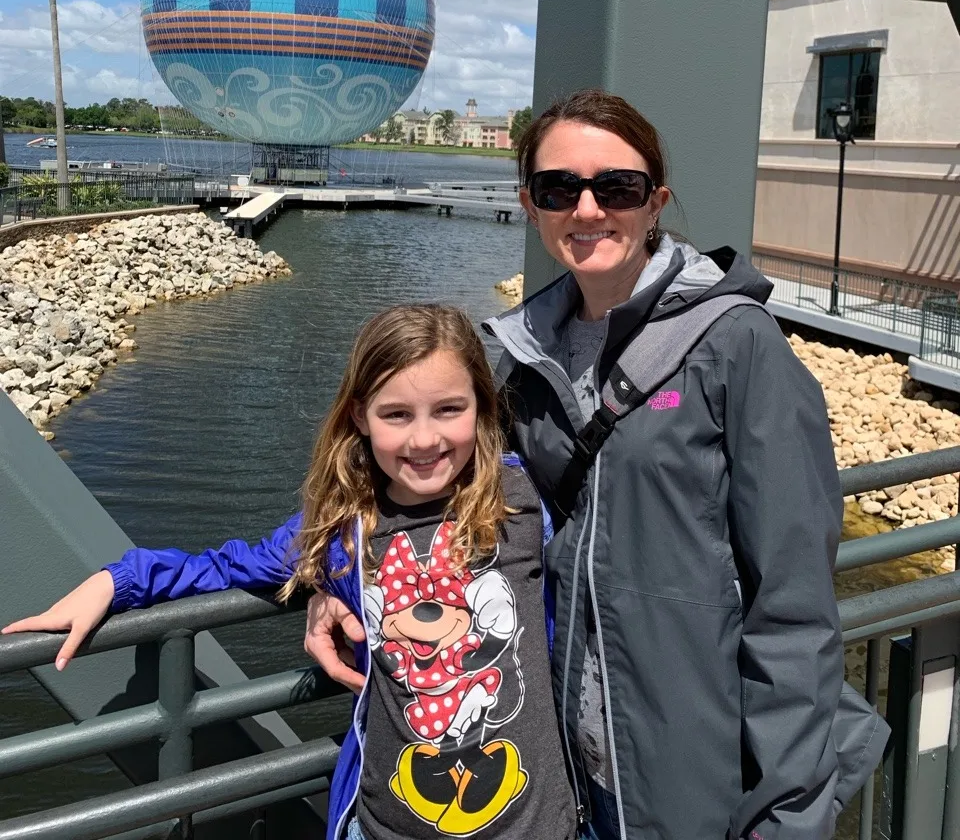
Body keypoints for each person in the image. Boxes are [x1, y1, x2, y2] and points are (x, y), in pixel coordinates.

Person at [302, 89, 888, 840]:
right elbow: (451, 505)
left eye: (615, 187)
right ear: (531, 205)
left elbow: (794, 604)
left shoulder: (738, 348)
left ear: (654, 202)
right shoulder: (528, 363)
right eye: (559, 189)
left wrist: (789, 811)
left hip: (692, 765)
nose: (587, 209)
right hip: (569, 770)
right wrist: (333, 579)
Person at [3, 304, 577, 840]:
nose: (424, 438)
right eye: (396, 414)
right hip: (387, 825)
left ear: (480, 405)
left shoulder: (527, 499)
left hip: (537, 823)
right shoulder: (344, 527)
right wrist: (118, 581)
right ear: (359, 415)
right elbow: (226, 567)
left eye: (449, 410)